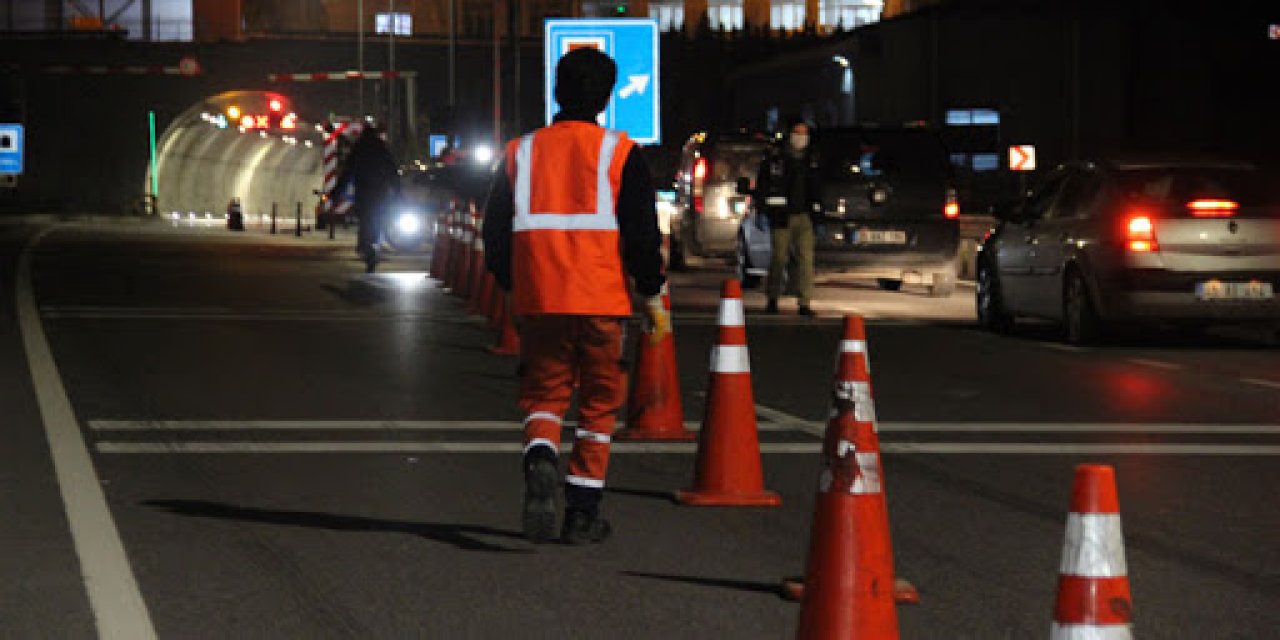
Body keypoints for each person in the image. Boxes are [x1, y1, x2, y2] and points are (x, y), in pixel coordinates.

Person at [483, 47, 668, 545]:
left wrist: (508, 283)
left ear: (556, 92)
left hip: (539, 299)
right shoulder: (620, 153)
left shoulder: (520, 153)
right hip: (602, 300)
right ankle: (582, 511)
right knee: (599, 403)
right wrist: (651, 292)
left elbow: (494, 232)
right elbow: (643, 235)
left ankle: (541, 454)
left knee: (545, 394)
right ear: (606, 98)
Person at [755, 118, 823, 315]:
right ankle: (773, 299)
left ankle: (804, 303)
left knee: (806, 261)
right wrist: (762, 212)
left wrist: (819, 216)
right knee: (778, 259)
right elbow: (764, 186)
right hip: (781, 217)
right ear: (790, 134)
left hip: (805, 217)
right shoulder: (776, 158)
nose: (801, 138)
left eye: (804, 134)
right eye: (797, 133)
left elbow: (818, 189)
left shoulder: (812, 159)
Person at [332, 125, 401, 272]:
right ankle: (373, 245)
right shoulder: (381, 149)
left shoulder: (359, 149)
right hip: (380, 193)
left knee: (365, 220)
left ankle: (366, 247)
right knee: (376, 219)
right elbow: (392, 172)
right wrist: (398, 192)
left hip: (363, 191)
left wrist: (336, 192)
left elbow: (347, 172)